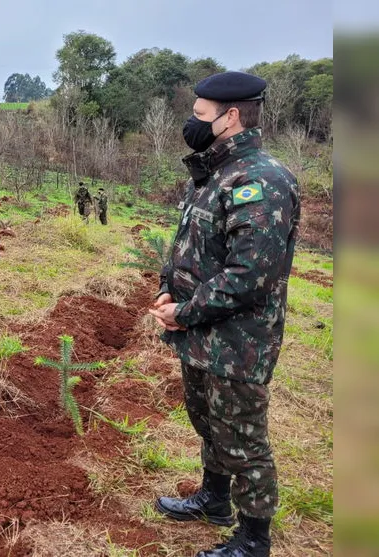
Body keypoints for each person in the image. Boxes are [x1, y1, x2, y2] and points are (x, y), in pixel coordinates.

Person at [149, 71, 300, 557]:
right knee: (208, 422)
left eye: (199, 116)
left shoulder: (261, 181)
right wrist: (166, 292)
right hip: (199, 332)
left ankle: (254, 539)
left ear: (230, 117)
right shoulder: (215, 172)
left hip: (237, 340)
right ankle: (214, 500)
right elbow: (192, 248)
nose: (190, 125)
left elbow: (248, 275)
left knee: (243, 439)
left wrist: (185, 312)